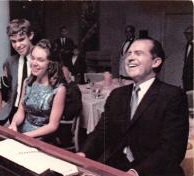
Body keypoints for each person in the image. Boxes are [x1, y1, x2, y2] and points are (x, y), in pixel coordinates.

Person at [78, 38, 189, 176]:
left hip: (153, 171)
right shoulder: (117, 95)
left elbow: (172, 149)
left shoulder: (173, 96)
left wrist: (135, 172)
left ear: (156, 62)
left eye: (138, 53)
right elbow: (102, 132)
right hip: (116, 166)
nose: (130, 58)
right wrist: (83, 154)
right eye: (129, 53)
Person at [8, 39, 66, 141]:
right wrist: (14, 123)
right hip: (22, 133)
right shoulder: (27, 82)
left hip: (42, 138)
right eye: (33, 58)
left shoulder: (59, 89)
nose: (34, 63)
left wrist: (26, 136)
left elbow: (53, 126)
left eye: (40, 60)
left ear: (50, 64)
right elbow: (20, 112)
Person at [0, 19, 34, 125]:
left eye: (21, 39)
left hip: (34, 114)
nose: (17, 45)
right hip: (14, 111)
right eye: (13, 41)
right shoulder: (10, 62)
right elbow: (9, 90)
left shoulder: (41, 59)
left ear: (30, 35)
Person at [55, 65, 82, 147]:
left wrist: (60, 114)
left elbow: (75, 109)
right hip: (59, 122)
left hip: (65, 127)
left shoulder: (73, 88)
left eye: (64, 72)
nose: (61, 75)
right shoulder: (63, 86)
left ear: (69, 74)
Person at [182, 26, 193, 91]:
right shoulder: (188, 44)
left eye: (188, 34)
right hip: (186, 77)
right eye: (185, 34)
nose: (186, 36)